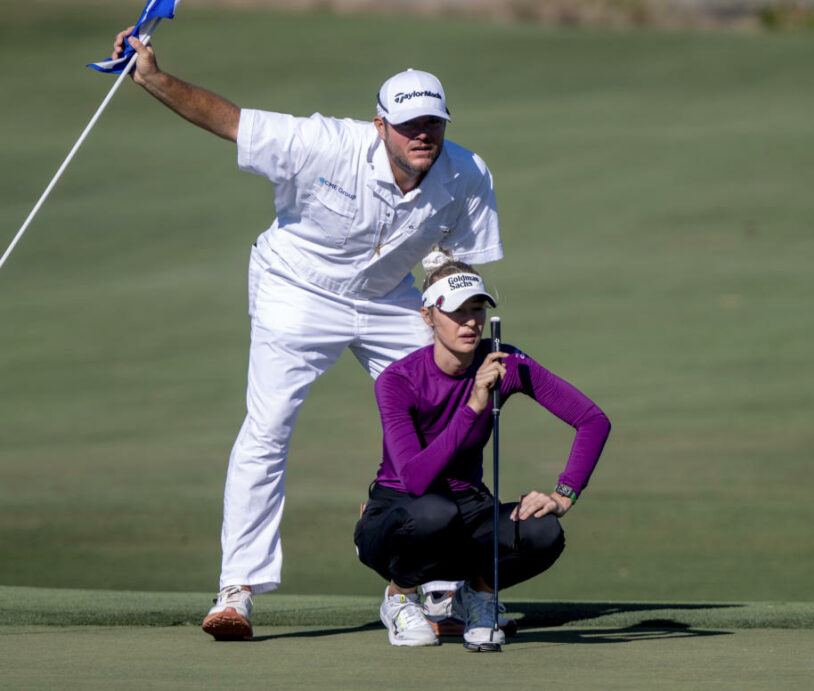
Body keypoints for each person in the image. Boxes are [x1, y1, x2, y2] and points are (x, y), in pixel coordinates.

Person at [107, 28, 503, 640]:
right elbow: (233, 122)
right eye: (409, 125)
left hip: (390, 297)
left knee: (444, 414)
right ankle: (236, 590)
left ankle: (434, 582)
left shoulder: (468, 174)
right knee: (268, 428)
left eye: (434, 122)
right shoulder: (324, 144)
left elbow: (456, 262)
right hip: (296, 286)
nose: (423, 134)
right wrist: (155, 78)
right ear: (380, 125)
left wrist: (458, 333)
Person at [354, 259, 611, 649]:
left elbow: (593, 420)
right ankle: (400, 597)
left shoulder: (502, 362)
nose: (470, 322)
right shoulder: (398, 380)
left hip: (466, 511)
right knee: (435, 512)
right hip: (398, 517)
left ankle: (476, 596)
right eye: (456, 311)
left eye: (477, 309)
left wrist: (563, 496)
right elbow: (416, 479)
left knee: (543, 530)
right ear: (428, 316)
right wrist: (474, 404)